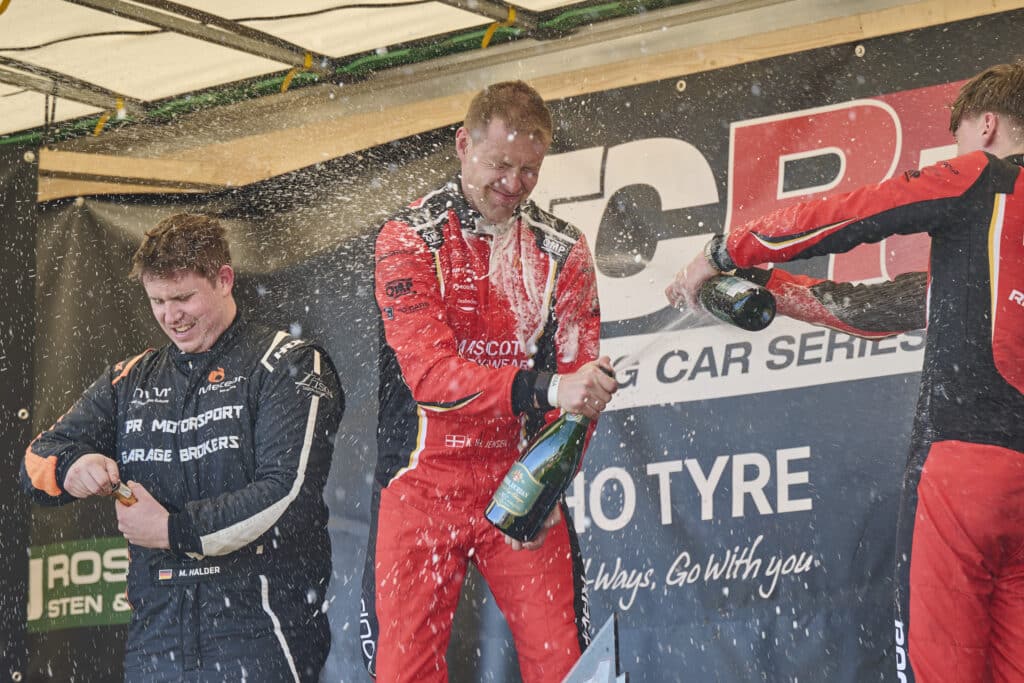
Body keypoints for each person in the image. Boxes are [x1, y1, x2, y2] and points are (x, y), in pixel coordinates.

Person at [666, 61, 1024, 682]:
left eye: (961, 137)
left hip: (963, 473)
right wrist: (765, 285)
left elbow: (852, 212)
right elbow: (872, 309)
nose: (959, 152)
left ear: (986, 126)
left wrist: (725, 250)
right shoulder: (984, 253)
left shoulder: (983, 177)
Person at [360, 80, 618, 682]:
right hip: (421, 487)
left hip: (518, 479)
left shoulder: (563, 249)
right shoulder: (409, 237)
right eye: (500, 163)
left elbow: (578, 393)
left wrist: (550, 481)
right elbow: (431, 378)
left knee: (566, 667)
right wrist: (547, 387)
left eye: (529, 170)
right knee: (403, 674)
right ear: (462, 144)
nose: (513, 183)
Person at [21, 213, 344, 682]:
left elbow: (287, 494)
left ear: (224, 280)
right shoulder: (131, 378)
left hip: (259, 628)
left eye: (183, 297)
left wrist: (172, 530)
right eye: (157, 301)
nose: (171, 316)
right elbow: (36, 461)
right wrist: (73, 466)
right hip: (157, 635)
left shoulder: (287, 362)